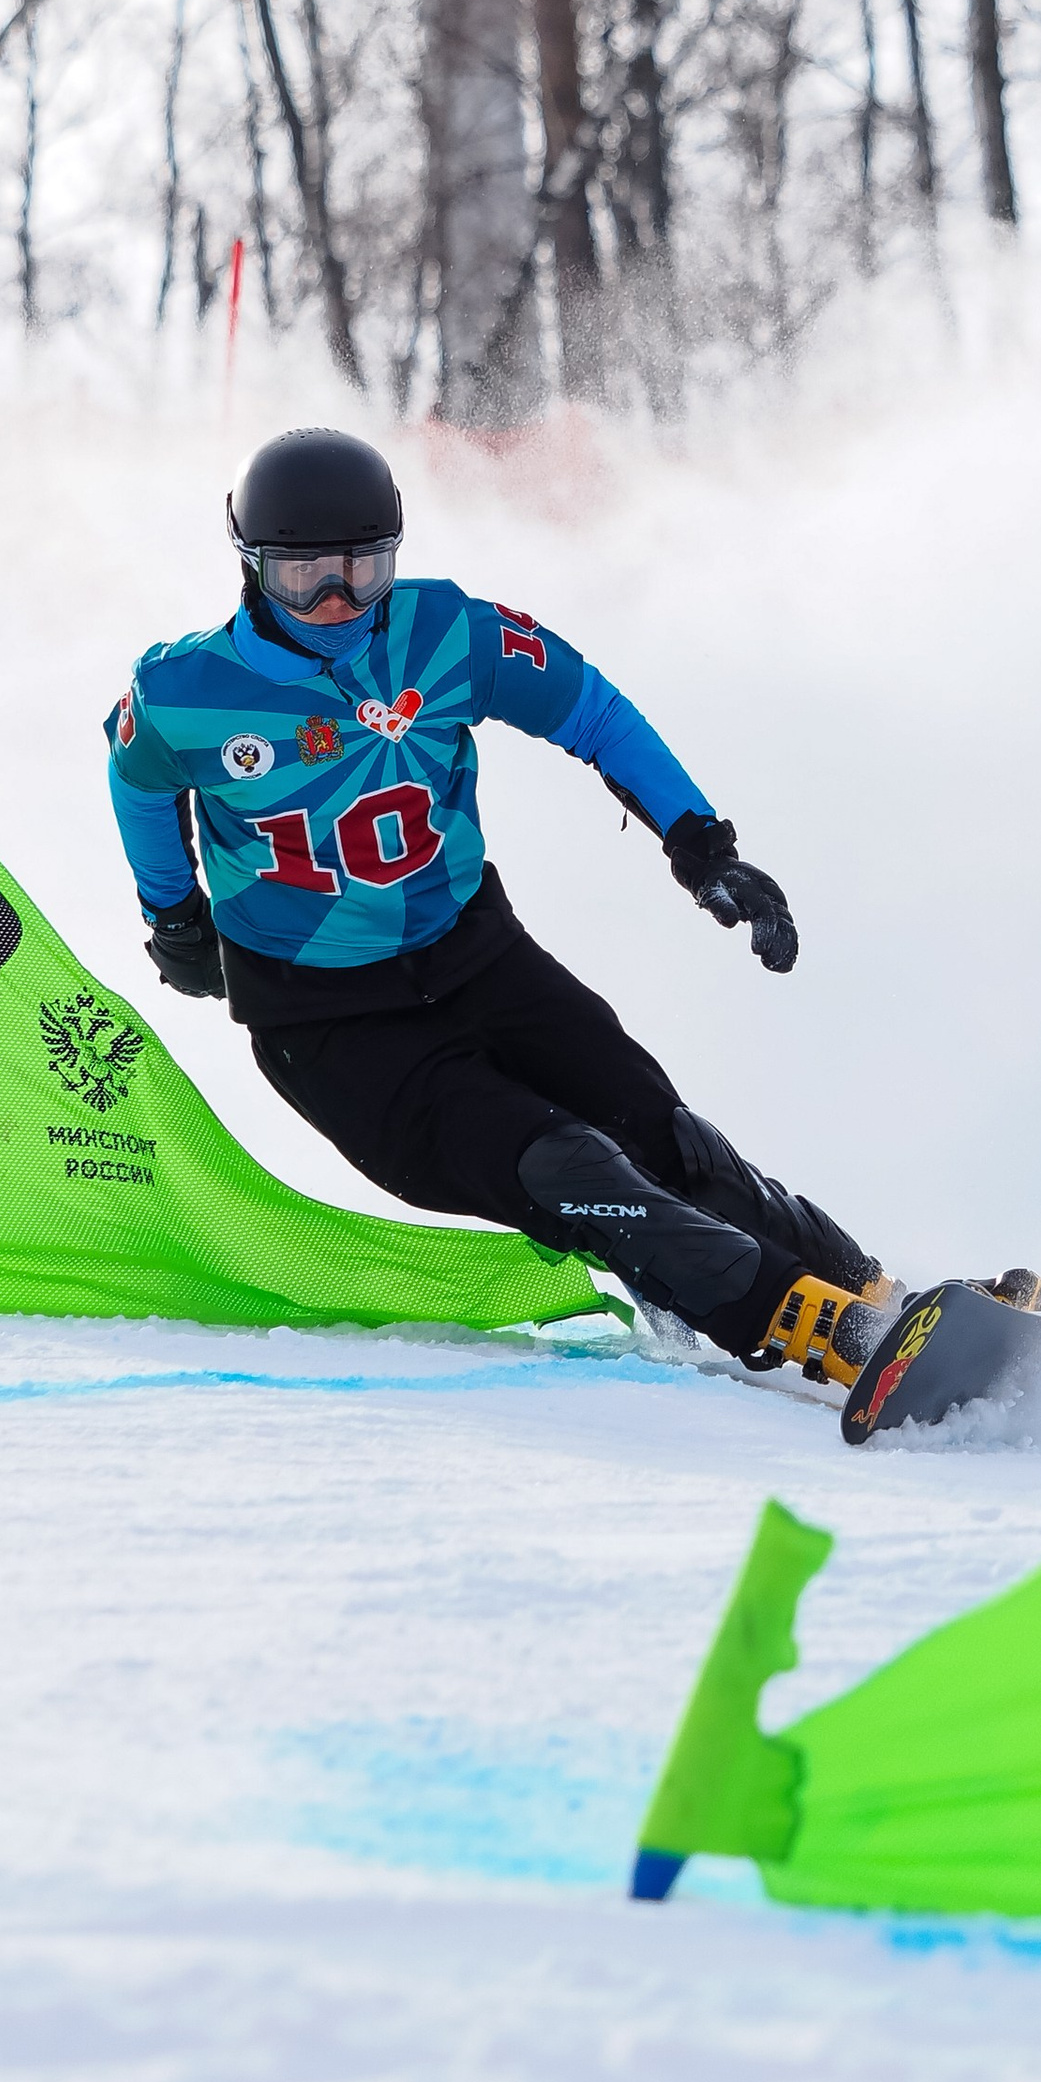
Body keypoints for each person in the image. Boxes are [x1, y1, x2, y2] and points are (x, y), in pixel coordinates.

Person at [103, 424, 895, 1385]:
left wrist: (699, 846)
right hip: (331, 1026)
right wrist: (174, 913)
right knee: (569, 1168)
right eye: (303, 573)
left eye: (365, 566)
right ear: (251, 569)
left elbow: (590, 710)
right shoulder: (185, 690)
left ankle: (878, 1299)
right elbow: (139, 780)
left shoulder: (449, 634)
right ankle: (816, 1332)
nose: (338, 598)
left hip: (475, 956)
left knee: (662, 1134)